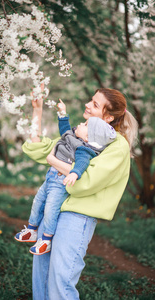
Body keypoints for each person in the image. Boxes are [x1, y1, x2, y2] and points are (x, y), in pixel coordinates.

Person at [21, 88, 138, 300]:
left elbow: (87, 180)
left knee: (60, 283)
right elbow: (39, 147)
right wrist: (37, 112)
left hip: (76, 216)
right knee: (42, 278)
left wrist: (55, 162)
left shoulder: (117, 145)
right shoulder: (81, 134)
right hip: (54, 209)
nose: (87, 105)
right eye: (91, 100)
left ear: (109, 117)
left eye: (95, 104)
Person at [14, 99, 116, 255]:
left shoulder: (83, 149)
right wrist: (62, 113)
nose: (81, 124)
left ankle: (46, 240)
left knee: (50, 209)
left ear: (89, 138)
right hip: (50, 177)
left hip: (60, 182)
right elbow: (65, 130)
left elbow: (81, 163)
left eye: (85, 126)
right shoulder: (74, 138)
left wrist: (74, 173)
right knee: (38, 201)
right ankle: (31, 229)